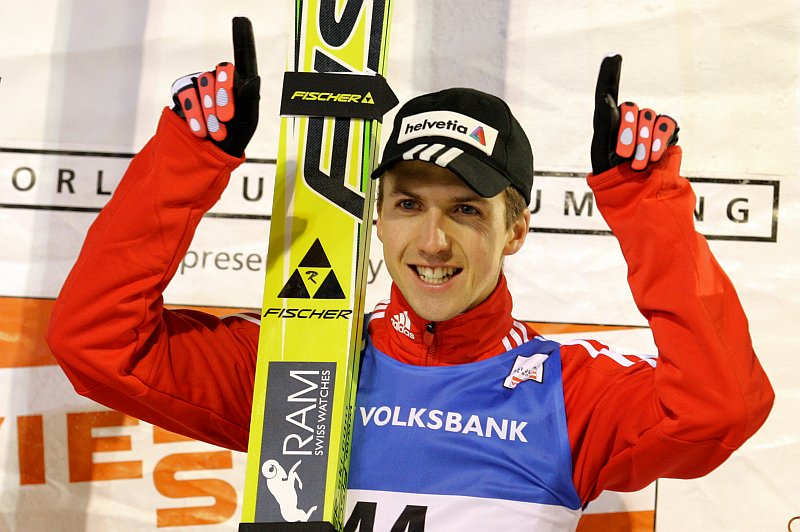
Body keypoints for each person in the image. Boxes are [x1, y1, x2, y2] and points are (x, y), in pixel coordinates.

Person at [46, 18, 774, 531]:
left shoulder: (566, 392)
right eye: (407, 204)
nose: (431, 240)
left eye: (466, 210)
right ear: (377, 216)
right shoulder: (306, 367)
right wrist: (190, 154)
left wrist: (644, 202)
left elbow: (718, 409)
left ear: (515, 229)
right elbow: (98, 345)